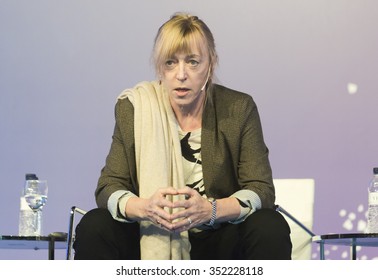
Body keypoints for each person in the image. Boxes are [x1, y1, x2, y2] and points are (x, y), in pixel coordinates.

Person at [73, 12, 292, 260]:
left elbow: (261, 190)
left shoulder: (239, 108)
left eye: (193, 62)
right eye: (170, 63)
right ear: (159, 67)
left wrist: (210, 210)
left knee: (269, 225)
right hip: (151, 235)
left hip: (218, 236)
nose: (181, 74)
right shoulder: (134, 109)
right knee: (95, 224)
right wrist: (146, 208)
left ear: (211, 63)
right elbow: (108, 187)